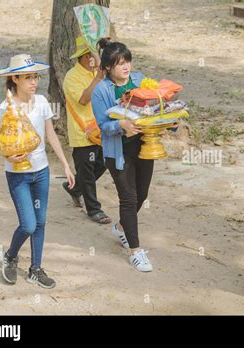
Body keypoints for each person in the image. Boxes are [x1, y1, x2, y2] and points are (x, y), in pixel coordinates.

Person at [0, 54, 75, 288]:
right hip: (17, 174)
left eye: (36, 77)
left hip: (41, 171)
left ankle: (35, 269)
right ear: (16, 79)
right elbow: (0, 142)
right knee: (28, 225)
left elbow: (50, 134)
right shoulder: (5, 107)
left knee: (40, 223)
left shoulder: (41, 101)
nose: (34, 82)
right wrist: (9, 155)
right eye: (28, 77)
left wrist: (66, 165)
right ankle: (10, 256)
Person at [91, 38, 154, 272]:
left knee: (142, 194)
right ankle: (136, 251)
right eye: (119, 64)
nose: (126, 67)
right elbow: (102, 125)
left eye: (127, 61)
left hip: (144, 147)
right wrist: (122, 126)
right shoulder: (101, 91)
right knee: (128, 198)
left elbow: (153, 105)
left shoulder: (139, 80)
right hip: (118, 152)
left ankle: (120, 228)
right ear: (107, 67)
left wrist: (169, 120)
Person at [62, 36, 111, 224]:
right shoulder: (72, 77)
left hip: (100, 130)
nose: (96, 59)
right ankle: (94, 210)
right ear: (85, 57)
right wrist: (98, 77)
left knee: (104, 163)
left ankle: (74, 188)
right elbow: (84, 99)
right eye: (93, 56)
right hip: (82, 133)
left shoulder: (95, 73)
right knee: (87, 173)